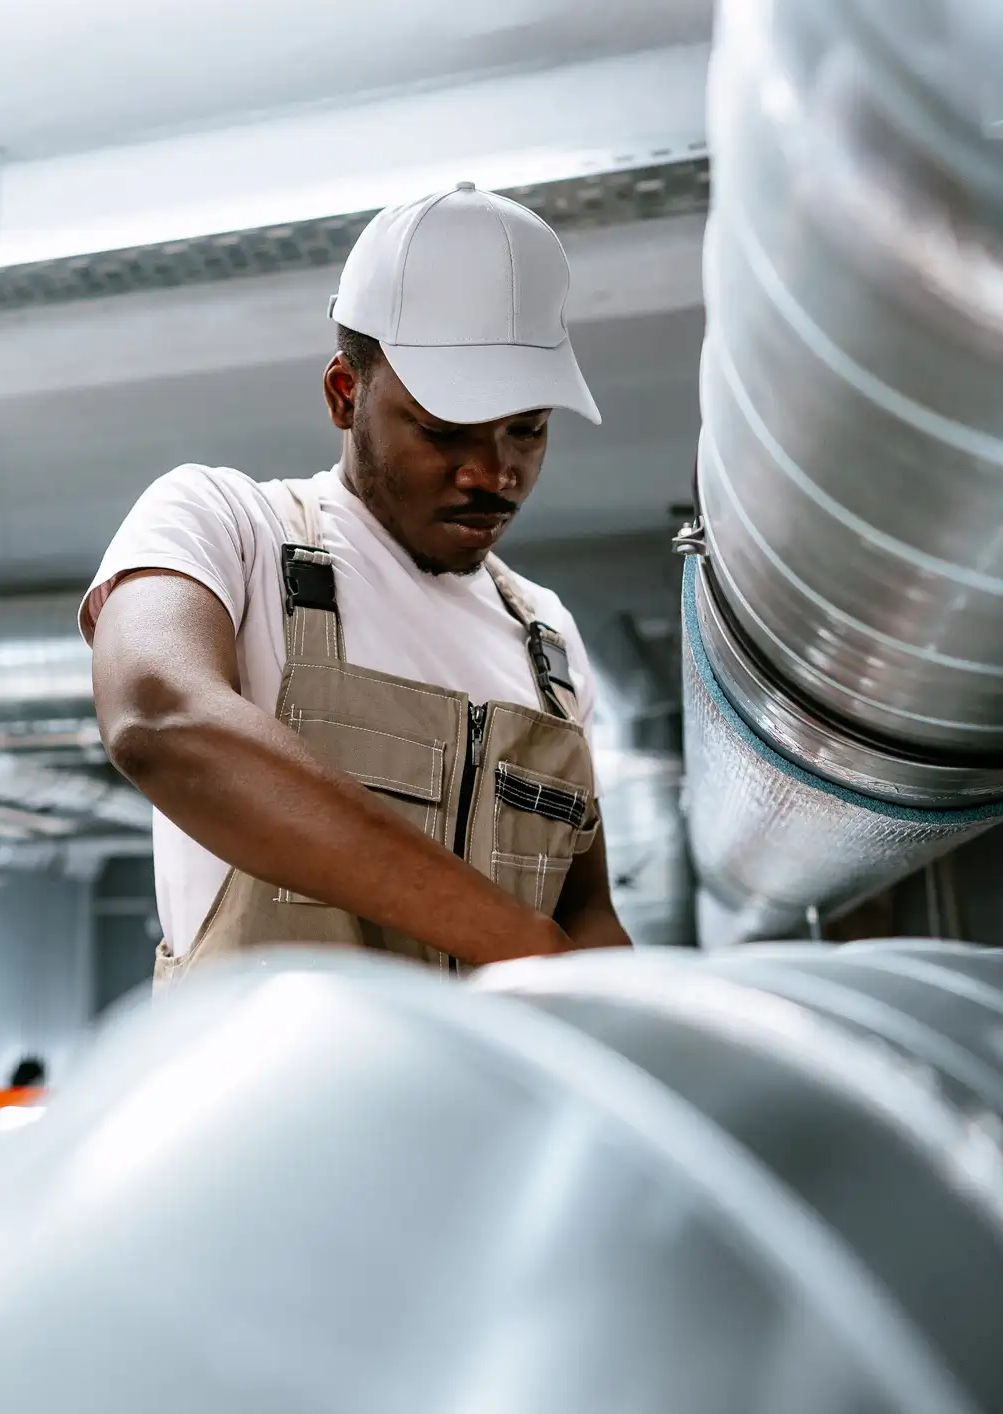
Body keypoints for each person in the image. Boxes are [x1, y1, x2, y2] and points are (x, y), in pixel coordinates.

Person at [83, 181, 631, 989]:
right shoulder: (226, 526)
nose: (494, 472)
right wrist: (520, 944)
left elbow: (583, 908)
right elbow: (160, 716)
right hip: (268, 1107)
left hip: (492, 1111)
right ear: (347, 393)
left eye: (528, 429)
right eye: (443, 432)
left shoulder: (544, 636)